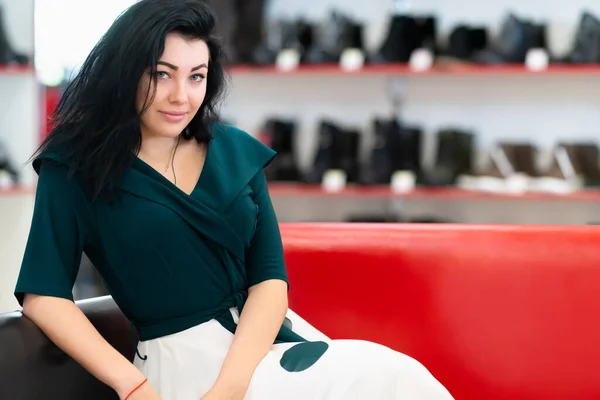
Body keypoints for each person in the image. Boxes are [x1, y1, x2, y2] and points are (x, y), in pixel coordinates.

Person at [14, 1, 454, 399]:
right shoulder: (74, 168)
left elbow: (269, 282)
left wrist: (231, 387)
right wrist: (130, 384)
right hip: (180, 365)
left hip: (264, 348)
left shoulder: (234, 150)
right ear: (127, 71)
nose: (180, 97)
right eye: (161, 74)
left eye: (196, 77)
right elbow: (42, 294)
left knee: (397, 378)